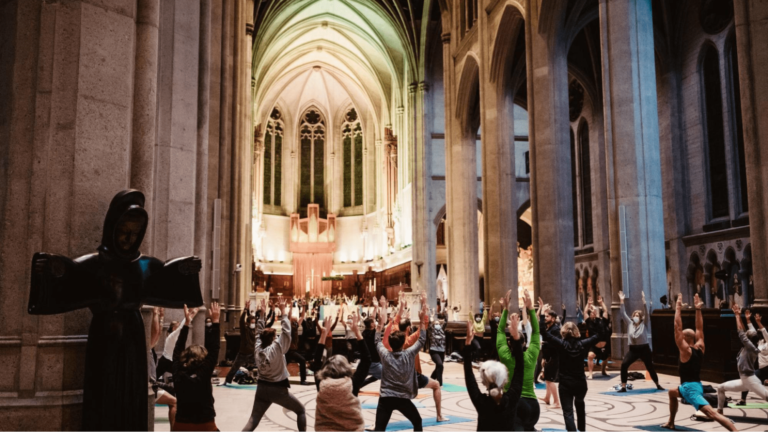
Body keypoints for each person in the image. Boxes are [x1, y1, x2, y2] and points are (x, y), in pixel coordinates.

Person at [661, 294, 737, 431]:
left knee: (712, 413)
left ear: (684, 338)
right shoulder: (700, 346)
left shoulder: (686, 350)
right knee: (672, 392)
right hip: (693, 385)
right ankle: (671, 422)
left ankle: (734, 430)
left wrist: (678, 307)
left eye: (681, 336)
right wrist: (697, 309)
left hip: (691, 389)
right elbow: (700, 329)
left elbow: (677, 327)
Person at [241, 299, 306, 432]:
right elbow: (287, 332)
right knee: (301, 410)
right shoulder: (277, 348)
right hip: (277, 389)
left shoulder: (258, 348)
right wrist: (283, 311)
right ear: (272, 339)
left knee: (253, 420)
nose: (277, 338)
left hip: (261, 388)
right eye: (275, 337)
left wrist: (262, 315)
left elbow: (259, 332)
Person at [539, 297, 602, 432]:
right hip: (580, 383)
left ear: (563, 333)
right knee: (580, 407)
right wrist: (595, 320)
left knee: (568, 413)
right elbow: (597, 336)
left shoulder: (561, 345)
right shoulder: (582, 344)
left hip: (566, 384)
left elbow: (544, 333)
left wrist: (541, 315)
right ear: (576, 332)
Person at [381, 297, 448, 422]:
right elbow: (423, 332)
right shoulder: (409, 341)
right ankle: (439, 416)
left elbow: (395, 320)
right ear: (408, 328)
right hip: (411, 376)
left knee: (387, 401)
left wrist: (401, 308)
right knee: (436, 385)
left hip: (393, 378)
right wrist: (423, 313)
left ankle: (377, 424)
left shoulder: (394, 334)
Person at [373, 294, 430, 432]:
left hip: (386, 398)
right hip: (403, 398)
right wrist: (422, 318)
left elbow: (377, 341)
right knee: (417, 422)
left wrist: (379, 326)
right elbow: (422, 340)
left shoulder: (385, 354)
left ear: (391, 344)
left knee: (379, 429)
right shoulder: (409, 354)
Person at [464, 309, 523, 431]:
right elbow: (520, 369)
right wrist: (516, 339)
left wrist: (468, 343)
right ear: (505, 379)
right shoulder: (512, 398)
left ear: (484, 381)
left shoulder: (481, 402)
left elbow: (468, 375)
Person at [313, 312, 371, 431]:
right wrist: (357, 332)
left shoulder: (322, 384)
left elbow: (316, 362)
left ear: (326, 369)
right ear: (346, 368)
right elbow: (366, 359)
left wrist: (323, 334)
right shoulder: (351, 385)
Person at [172, 302, 221, 432]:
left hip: (181, 426)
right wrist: (215, 322)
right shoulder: (204, 373)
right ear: (203, 359)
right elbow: (214, 348)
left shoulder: (178, 373)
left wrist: (186, 323)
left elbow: (177, 349)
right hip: (205, 426)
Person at [498, 290, 540, 432]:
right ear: (524, 344)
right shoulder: (531, 355)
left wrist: (505, 310)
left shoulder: (505, 356)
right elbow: (535, 332)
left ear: (509, 344)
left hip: (515, 405)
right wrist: (531, 310)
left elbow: (499, 332)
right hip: (534, 406)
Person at [717, 304, 768, 413]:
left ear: (748, 339)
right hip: (744, 380)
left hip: (751, 380)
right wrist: (745, 318)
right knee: (720, 388)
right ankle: (719, 412)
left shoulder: (751, 347)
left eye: (747, 335)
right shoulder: (751, 345)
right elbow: (747, 331)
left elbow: (741, 333)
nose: (746, 333)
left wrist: (737, 316)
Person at [617, 290, 663, 391]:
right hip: (633, 350)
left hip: (644, 349)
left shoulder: (644, 323)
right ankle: (623, 386)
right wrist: (621, 301)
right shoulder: (629, 323)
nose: (635, 317)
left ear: (640, 318)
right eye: (634, 315)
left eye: (637, 316)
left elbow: (646, 313)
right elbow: (623, 313)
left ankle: (658, 384)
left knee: (650, 367)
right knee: (624, 365)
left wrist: (644, 302)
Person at [149, 307, 177, 430]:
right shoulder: (147, 349)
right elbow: (156, 333)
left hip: (153, 385)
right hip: (149, 387)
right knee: (174, 402)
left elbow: (157, 334)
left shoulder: (150, 348)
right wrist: (156, 314)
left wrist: (160, 317)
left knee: (173, 397)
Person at [736, 311, 768, 405]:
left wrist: (758, 322)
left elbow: (764, 331)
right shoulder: (758, 343)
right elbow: (752, 331)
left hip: (767, 367)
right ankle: (743, 400)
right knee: (748, 381)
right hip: (763, 368)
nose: (758, 333)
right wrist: (748, 319)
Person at [222, 300, 256, 386]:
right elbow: (241, 321)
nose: (253, 324)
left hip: (253, 353)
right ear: (248, 323)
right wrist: (245, 309)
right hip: (243, 353)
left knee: (262, 365)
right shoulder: (245, 330)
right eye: (252, 323)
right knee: (234, 367)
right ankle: (227, 381)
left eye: (254, 323)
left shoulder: (255, 331)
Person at [537, 304, 561, 409]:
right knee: (547, 379)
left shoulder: (555, 329)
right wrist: (544, 358)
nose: (545, 318)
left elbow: (556, 344)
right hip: (548, 357)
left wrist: (544, 343)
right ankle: (547, 398)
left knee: (550, 380)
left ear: (553, 318)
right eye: (545, 316)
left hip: (554, 358)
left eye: (547, 316)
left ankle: (556, 402)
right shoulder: (549, 328)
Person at [585, 298, 610, 379]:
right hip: (594, 345)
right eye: (591, 312)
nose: (593, 313)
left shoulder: (603, 320)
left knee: (605, 358)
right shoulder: (589, 321)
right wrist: (588, 304)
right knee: (590, 356)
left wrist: (601, 303)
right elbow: (585, 312)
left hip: (604, 344)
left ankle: (603, 370)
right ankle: (590, 373)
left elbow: (605, 311)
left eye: (594, 312)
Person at [285, 304, 309, 385]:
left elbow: (302, 317)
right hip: (289, 350)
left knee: (284, 364)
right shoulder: (289, 326)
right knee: (302, 360)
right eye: (294, 320)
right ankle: (302, 380)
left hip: (293, 350)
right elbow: (289, 316)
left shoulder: (296, 326)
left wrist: (303, 306)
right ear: (291, 321)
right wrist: (290, 308)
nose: (296, 321)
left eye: (296, 320)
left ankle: (302, 380)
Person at [428, 311, 446, 386]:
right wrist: (431, 317)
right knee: (440, 365)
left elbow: (446, 322)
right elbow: (429, 324)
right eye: (435, 324)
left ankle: (432, 378)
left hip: (442, 351)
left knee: (439, 366)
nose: (437, 325)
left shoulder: (442, 330)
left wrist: (446, 313)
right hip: (434, 350)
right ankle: (439, 383)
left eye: (438, 324)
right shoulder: (431, 330)